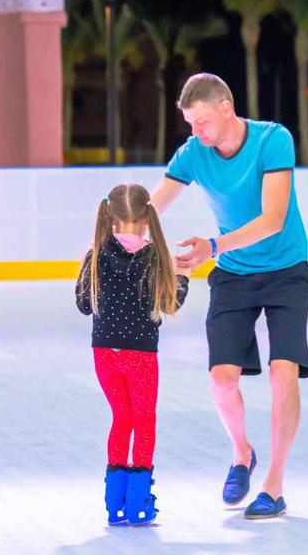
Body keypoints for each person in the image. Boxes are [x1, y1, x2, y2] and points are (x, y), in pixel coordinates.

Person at [149, 73, 308, 520]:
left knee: (283, 372)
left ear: (226, 108)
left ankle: (274, 486)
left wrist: (212, 248)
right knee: (222, 379)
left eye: (201, 122)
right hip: (234, 276)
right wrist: (107, 232)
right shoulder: (194, 153)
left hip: (285, 272)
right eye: (189, 125)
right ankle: (242, 453)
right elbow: (153, 205)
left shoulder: (273, 140)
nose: (195, 133)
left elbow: (273, 219)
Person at [75, 183, 190, 526]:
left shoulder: (95, 254)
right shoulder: (155, 257)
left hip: (104, 354)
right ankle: (139, 500)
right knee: (144, 421)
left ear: (109, 217)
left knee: (121, 419)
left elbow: (83, 305)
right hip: (140, 355)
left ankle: (114, 503)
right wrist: (182, 277)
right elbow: (169, 303)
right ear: (145, 218)